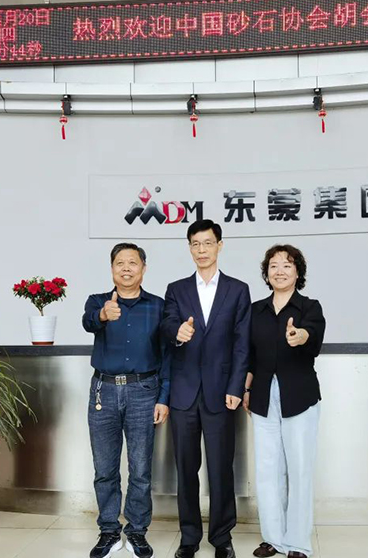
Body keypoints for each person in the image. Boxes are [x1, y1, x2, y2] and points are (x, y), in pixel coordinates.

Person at [162, 219, 252, 558]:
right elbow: (167, 323)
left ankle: (221, 537)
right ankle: (189, 537)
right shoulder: (176, 289)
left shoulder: (238, 289)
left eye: (208, 243)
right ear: (189, 248)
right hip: (184, 393)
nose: (202, 250)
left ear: (219, 245)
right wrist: (177, 332)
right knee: (186, 469)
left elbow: (242, 344)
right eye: (195, 244)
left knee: (220, 469)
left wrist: (236, 386)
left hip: (221, 393)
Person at [82, 243, 171, 558]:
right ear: (112, 269)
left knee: (141, 469)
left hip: (144, 391)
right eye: (120, 263)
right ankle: (109, 530)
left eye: (133, 262)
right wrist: (103, 315)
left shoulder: (159, 306)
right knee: (105, 468)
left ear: (143, 268)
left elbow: (167, 356)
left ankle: (136, 531)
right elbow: (88, 321)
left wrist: (164, 397)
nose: (126, 268)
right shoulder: (98, 301)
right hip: (103, 392)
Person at [243, 245, 325, 558]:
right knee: (267, 468)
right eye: (274, 265)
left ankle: (298, 542)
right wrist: (246, 390)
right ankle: (273, 539)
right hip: (263, 396)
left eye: (287, 265)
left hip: (299, 395)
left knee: (299, 469)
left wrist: (300, 336)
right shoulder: (256, 310)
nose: (280, 271)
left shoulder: (309, 307)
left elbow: (312, 337)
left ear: (297, 272)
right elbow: (250, 356)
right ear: (266, 273)